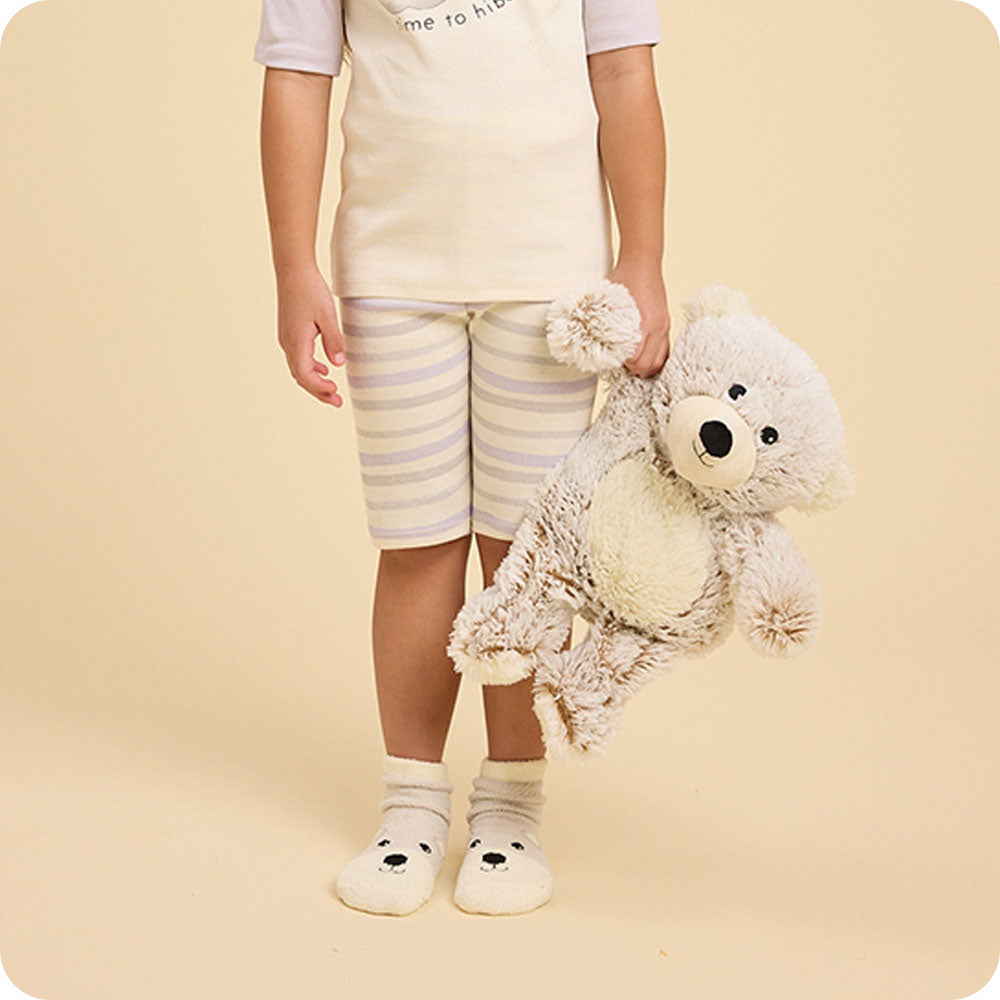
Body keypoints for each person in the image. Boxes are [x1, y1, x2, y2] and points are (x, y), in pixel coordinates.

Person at [253, 0, 671, 916]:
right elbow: (297, 75)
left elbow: (623, 68)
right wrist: (294, 267)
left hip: (552, 282)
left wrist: (642, 257)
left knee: (529, 558)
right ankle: (410, 803)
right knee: (417, 543)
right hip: (392, 280)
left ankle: (512, 807)